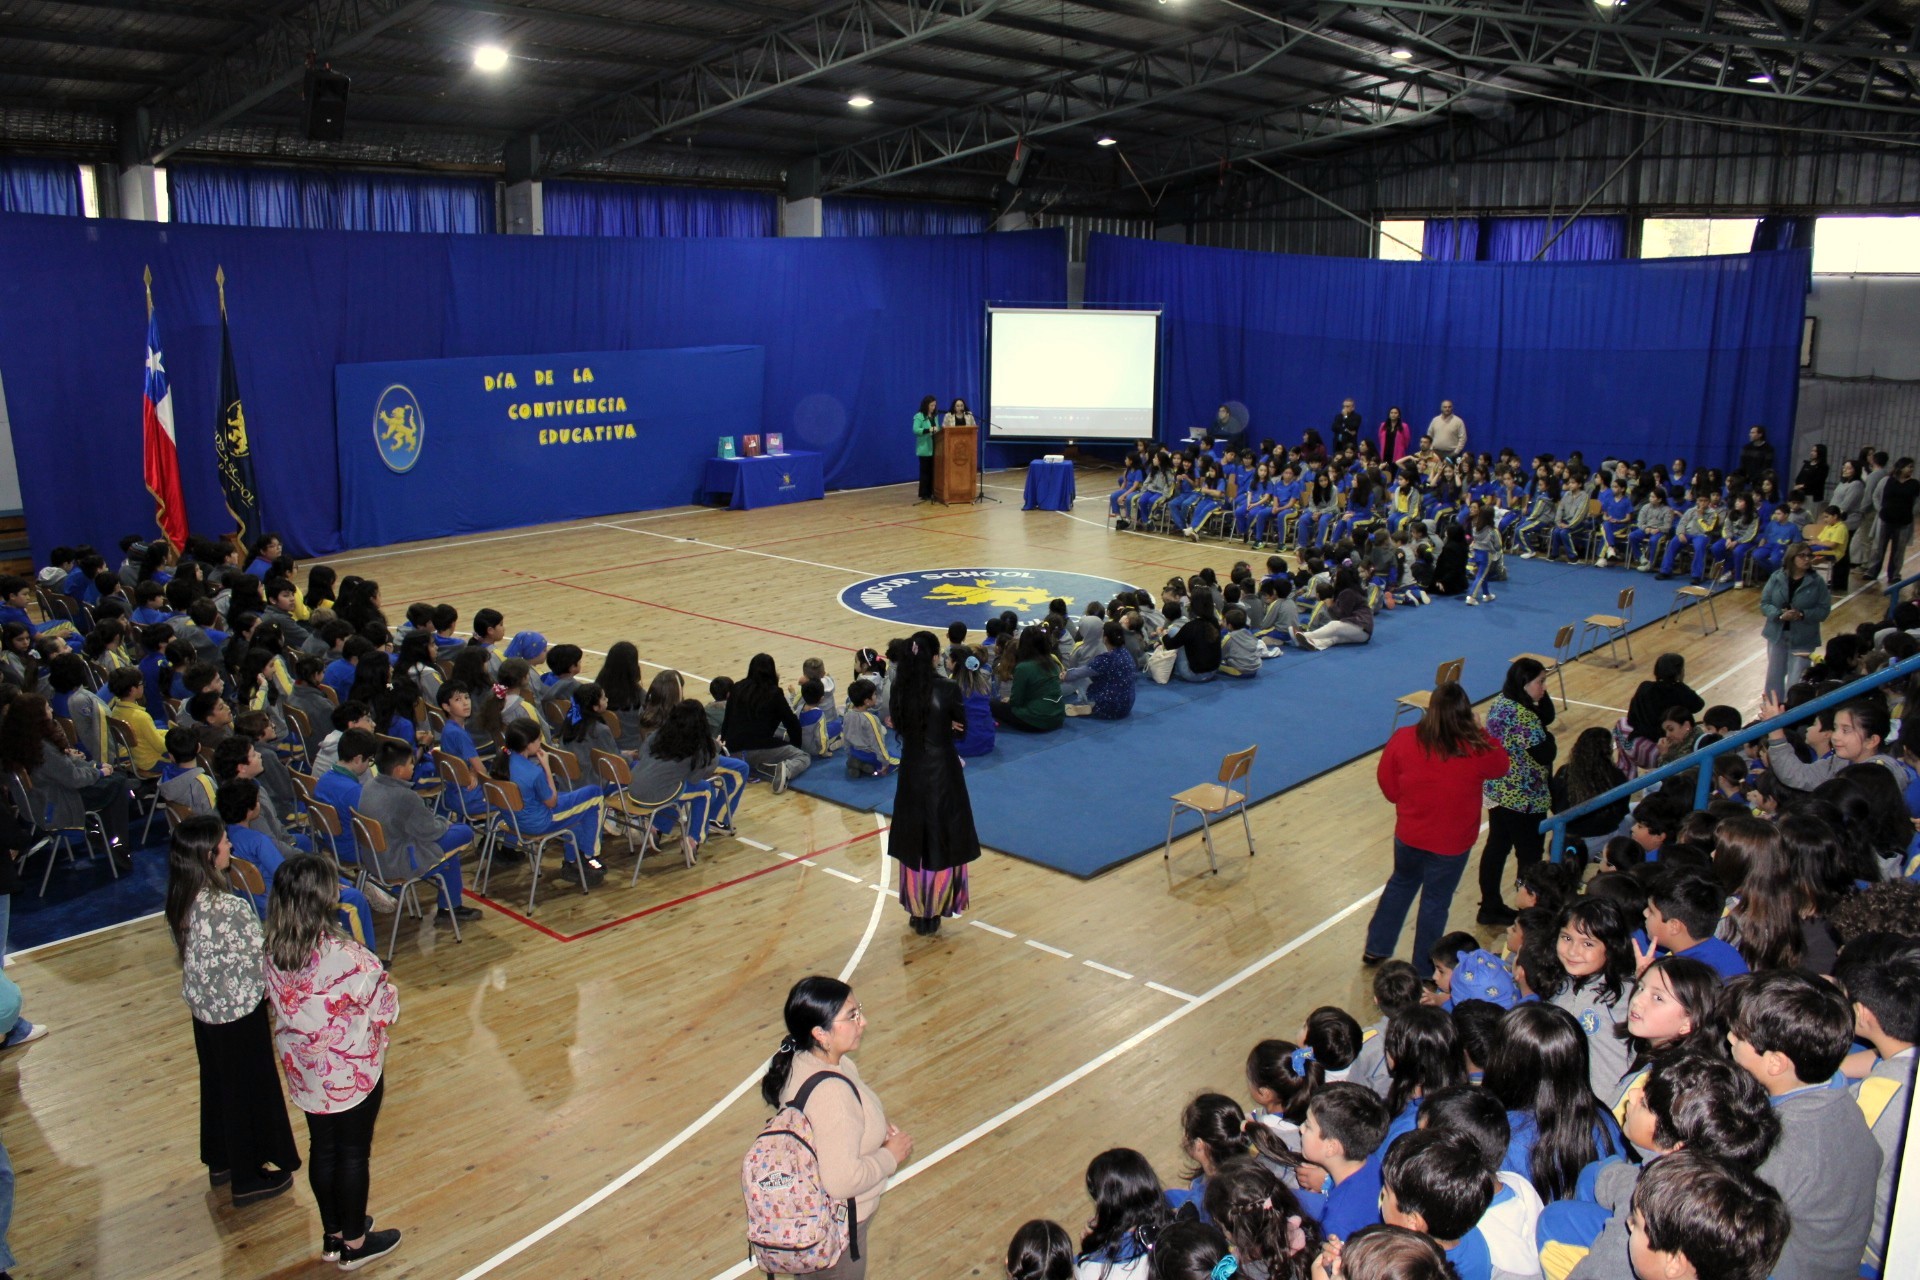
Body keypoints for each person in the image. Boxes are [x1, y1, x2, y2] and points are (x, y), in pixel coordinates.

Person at [264, 854, 402, 1269]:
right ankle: (356, 1244)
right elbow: (386, 1010)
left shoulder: (271, 948)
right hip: (349, 1070)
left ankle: (334, 1234)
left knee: (323, 1148)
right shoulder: (348, 957)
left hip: (304, 1070)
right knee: (354, 1153)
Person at [164, 814, 301, 1206]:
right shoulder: (228, 907)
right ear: (209, 854)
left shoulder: (180, 898)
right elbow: (261, 958)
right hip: (238, 1014)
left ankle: (222, 1160)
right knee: (247, 1093)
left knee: (219, 1085)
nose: (230, 846)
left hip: (205, 1011)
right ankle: (248, 1178)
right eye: (224, 841)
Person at [1728, 970, 1881, 1280]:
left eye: (1740, 1037)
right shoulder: (1834, 1089)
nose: (1730, 1037)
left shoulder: (1783, 1146)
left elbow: (1730, 1231)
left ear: (1775, 1063)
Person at [758, 976, 910, 1280]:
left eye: (858, 1010)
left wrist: (876, 1130)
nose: (863, 1022)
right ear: (820, 1033)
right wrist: (889, 1156)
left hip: (813, 1221)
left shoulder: (807, 1060)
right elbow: (841, 1181)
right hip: (838, 1235)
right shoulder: (832, 1094)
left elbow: (832, 1130)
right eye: (851, 1016)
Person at [1363, 683, 1508, 974]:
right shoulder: (1476, 748)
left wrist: (1407, 803)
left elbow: (1388, 784)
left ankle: (1376, 947)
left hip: (1410, 835)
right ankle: (1425, 968)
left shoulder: (1404, 738)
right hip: (1451, 844)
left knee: (1400, 885)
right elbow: (1501, 766)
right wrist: (1481, 731)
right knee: (1435, 902)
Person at [887, 631, 980, 936]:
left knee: (915, 837)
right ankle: (937, 905)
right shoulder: (948, 688)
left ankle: (918, 907)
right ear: (935, 657)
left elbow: (900, 725)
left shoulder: (899, 687)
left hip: (912, 770)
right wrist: (945, 724)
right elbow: (961, 730)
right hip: (943, 770)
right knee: (942, 835)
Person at [1475, 660, 1556, 927]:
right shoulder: (1524, 716)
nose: (1544, 687)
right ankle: (1527, 915)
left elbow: (1547, 716)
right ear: (1524, 683)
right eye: (1540, 682)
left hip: (1498, 791)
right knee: (1529, 856)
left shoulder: (1501, 703)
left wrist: (1540, 698)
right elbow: (1546, 753)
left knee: (1497, 847)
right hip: (1523, 798)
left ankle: (1490, 906)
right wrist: (1549, 736)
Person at [721, 654, 811, 792]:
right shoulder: (774, 693)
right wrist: (796, 747)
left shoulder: (737, 687)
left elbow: (726, 721)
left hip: (731, 751)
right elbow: (792, 724)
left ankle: (763, 765)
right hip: (757, 748)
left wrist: (724, 748)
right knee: (803, 757)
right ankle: (786, 769)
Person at [1759, 542, 1831, 702]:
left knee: (1796, 679)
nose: (1807, 559)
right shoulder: (1776, 577)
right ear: (1791, 557)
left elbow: (1824, 610)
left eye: (1809, 555)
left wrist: (1802, 614)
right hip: (1777, 634)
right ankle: (1771, 708)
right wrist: (1779, 615)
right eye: (1802, 555)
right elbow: (1765, 604)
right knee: (1773, 677)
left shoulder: (1817, 581)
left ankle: (1793, 709)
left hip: (1803, 637)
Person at [1871, 455, 1918, 583]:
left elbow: (1917, 502)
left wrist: (1911, 512)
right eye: (1909, 466)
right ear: (1901, 467)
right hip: (1885, 519)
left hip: (1903, 522)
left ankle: (1895, 574)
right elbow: (1875, 496)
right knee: (1878, 547)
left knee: (1898, 550)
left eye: (1912, 467)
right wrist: (1880, 510)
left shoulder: (1914, 484)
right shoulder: (1887, 480)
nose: (1911, 469)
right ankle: (1872, 571)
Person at [912, 394, 940, 501]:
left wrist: (937, 430)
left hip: (935, 446)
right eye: (931, 405)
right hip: (924, 447)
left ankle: (932, 491)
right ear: (926, 405)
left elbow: (937, 428)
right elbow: (915, 430)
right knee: (925, 471)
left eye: (934, 405)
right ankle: (924, 493)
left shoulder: (935, 416)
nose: (933, 407)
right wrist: (928, 430)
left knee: (933, 471)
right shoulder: (919, 416)